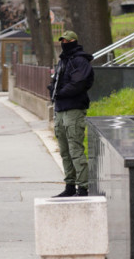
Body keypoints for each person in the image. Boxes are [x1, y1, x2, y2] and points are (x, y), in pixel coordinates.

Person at [49, 30, 94, 197]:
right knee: (65, 151)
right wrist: (52, 90)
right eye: (62, 41)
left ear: (74, 41)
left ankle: (83, 187)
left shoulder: (79, 61)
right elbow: (58, 81)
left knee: (75, 149)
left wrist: (60, 92)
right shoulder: (64, 61)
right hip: (60, 109)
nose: (64, 44)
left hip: (73, 109)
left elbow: (79, 83)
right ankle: (70, 186)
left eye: (67, 41)